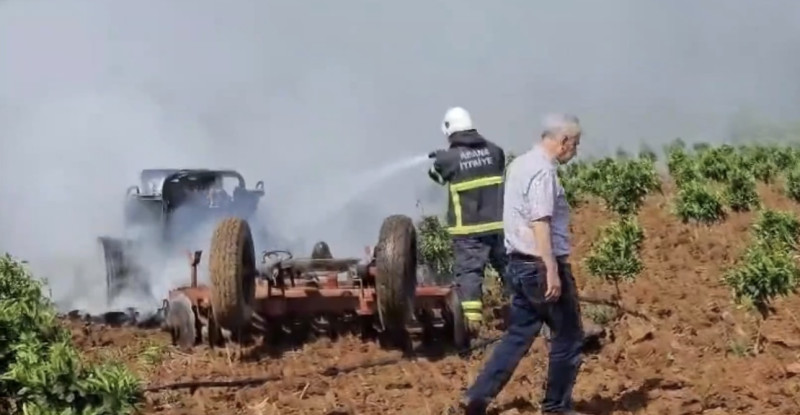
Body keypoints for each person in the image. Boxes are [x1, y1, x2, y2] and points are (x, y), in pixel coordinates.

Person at [458, 113, 585, 415]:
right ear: (563, 141)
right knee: (568, 336)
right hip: (539, 265)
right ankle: (556, 407)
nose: (576, 151)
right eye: (576, 144)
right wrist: (551, 269)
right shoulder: (543, 172)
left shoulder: (519, 164)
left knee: (519, 333)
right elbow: (539, 221)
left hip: (517, 263)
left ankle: (476, 397)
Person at [427, 106, 508, 334]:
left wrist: (440, 159)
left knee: (470, 275)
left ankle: (472, 328)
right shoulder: (495, 151)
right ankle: (525, 315)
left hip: (468, 230)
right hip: (498, 226)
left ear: (448, 130)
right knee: (509, 269)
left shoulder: (448, 159)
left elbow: (436, 177)